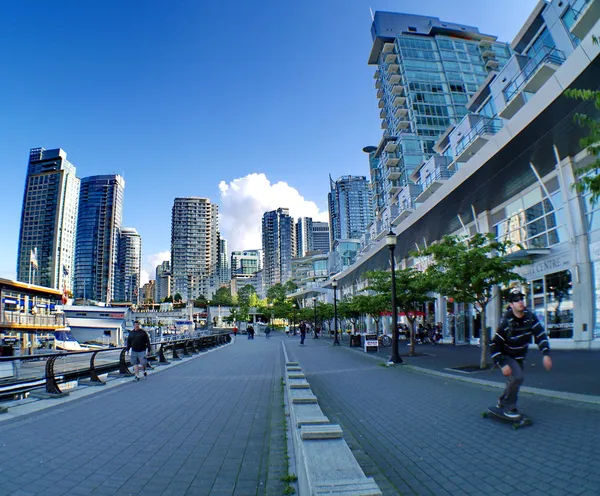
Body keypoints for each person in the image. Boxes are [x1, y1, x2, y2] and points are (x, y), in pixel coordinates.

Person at [490, 288, 552, 418]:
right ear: (511, 305)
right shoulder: (506, 323)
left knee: (513, 381)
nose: (520, 302)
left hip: (519, 356)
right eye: (516, 300)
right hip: (506, 355)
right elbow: (494, 344)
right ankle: (509, 406)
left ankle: (502, 401)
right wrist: (502, 363)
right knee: (517, 377)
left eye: (521, 299)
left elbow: (540, 335)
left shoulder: (530, 318)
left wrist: (545, 353)